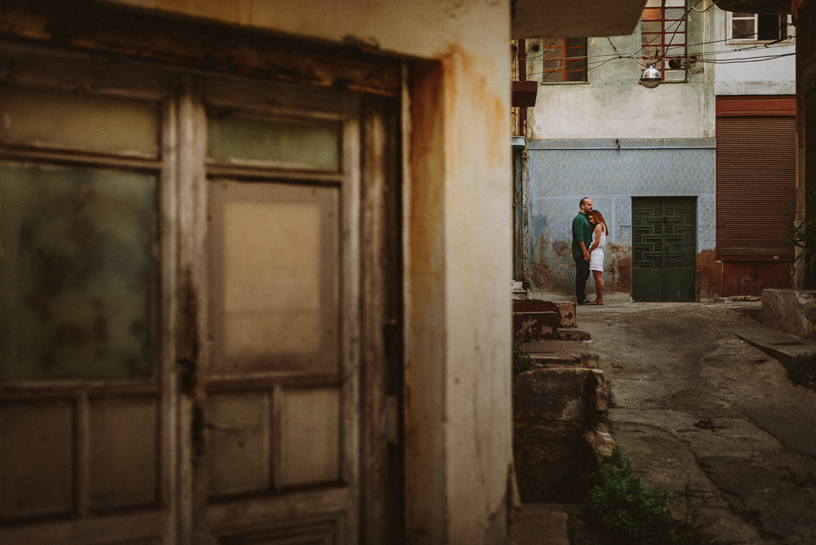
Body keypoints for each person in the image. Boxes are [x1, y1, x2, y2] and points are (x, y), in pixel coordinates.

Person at [572, 197, 593, 304]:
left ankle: (582, 297)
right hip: (581, 252)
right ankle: (580, 298)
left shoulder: (585, 218)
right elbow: (579, 237)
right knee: (581, 275)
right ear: (582, 206)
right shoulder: (579, 219)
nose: (591, 206)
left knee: (585, 274)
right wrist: (585, 251)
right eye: (589, 204)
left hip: (585, 252)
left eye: (591, 204)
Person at [587, 210, 608, 305]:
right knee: (597, 277)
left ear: (596, 217)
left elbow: (596, 242)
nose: (590, 221)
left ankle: (599, 299)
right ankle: (599, 299)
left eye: (591, 218)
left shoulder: (599, 226)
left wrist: (588, 251)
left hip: (596, 252)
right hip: (598, 252)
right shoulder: (602, 226)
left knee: (598, 277)